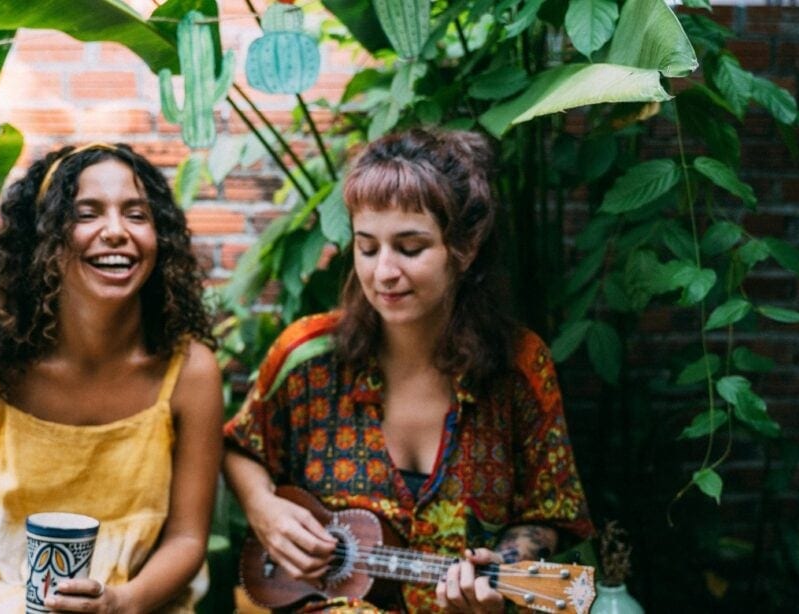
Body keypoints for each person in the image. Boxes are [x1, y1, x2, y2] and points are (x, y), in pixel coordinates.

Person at [223, 129, 594, 613]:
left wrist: (497, 584)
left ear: (465, 247)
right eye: (368, 247)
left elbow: (553, 517)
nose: (383, 273)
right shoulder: (306, 357)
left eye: (410, 247)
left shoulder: (520, 366)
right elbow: (239, 446)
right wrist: (264, 508)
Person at [0, 142, 224, 613]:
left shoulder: (189, 372)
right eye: (87, 214)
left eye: (137, 215)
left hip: (140, 598)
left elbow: (185, 538)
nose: (116, 231)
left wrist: (124, 601)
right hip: (3, 591)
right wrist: (11, 469)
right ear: (45, 239)